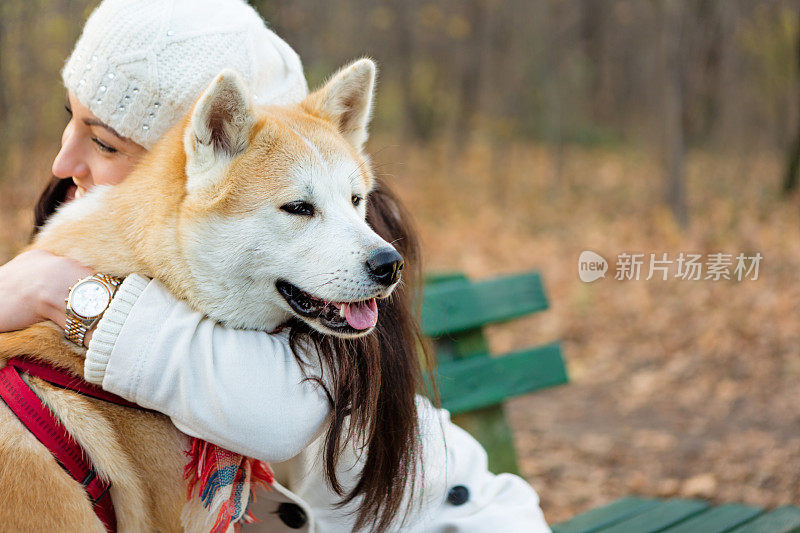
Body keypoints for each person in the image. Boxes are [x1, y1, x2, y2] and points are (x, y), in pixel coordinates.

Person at [0, 0, 551, 531]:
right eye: (69, 120)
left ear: (192, 151)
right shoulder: (92, 212)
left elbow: (275, 412)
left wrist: (61, 290)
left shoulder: (304, 310)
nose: (63, 162)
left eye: (104, 143)